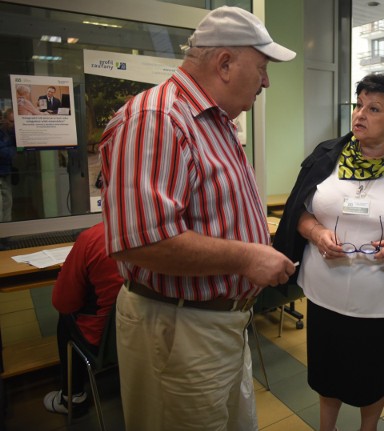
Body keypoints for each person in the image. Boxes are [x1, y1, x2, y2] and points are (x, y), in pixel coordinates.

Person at [98, 6, 296, 431]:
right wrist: (247, 259)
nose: (266, 81)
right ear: (224, 63)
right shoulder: (157, 118)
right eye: (260, 68)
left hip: (218, 323)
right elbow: (141, 241)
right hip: (179, 329)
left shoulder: (216, 123)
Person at [273, 73, 384, 431]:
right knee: (326, 371)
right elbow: (298, 213)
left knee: (374, 375)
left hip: (382, 300)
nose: (360, 115)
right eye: (359, 105)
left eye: (374, 109)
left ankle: (367, 428)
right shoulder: (326, 157)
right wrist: (318, 232)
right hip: (325, 293)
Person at [42, 222, 123, 416]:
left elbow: (62, 302)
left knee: (66, 315)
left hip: (105, 345)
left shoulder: (92, 238)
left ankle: (72, 397)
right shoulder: (167, 236)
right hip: (147, 336)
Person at [0, 108, 16, 222]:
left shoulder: (11, 133)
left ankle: (7, 236)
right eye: (11, 121)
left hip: (5, 172)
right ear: (4, 120)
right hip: (2, 171)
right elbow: (5, 153)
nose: (13, 125)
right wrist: (14, 148)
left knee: (7, 203)